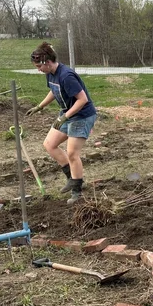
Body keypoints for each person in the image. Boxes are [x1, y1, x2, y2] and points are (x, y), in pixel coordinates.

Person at [25, 42, 97, 204]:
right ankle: (72, 178)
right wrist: (40, 106)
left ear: (48, 63)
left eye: (39, 66)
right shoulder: (51, 74)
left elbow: (82, 99)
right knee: (49, 144)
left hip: (82, 115)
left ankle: (77, 191)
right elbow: (54, 90)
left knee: (72, 153)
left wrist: (64, 117)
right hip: (67, 114)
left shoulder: (67, 76)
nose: (38, 69)